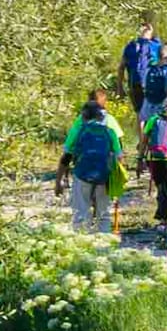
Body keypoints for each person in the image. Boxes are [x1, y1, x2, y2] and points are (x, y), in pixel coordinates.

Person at [62, 94, 124, 231]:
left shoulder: (79, 130)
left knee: (80, 212)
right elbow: (119, 157)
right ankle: (104, 241)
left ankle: (81, 239)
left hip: (82, 174)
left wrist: (61, 178)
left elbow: (66, 154)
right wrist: (117, 180)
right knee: (104, 213)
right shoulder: (110, 131)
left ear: (84, 116)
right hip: (104, 175)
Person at [140, 92, 167, 238]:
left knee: (162, 188)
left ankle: (162, 218)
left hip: (155, 158)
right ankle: (163, 219)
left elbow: (144, 139)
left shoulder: (153, 120)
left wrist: (140, 157)